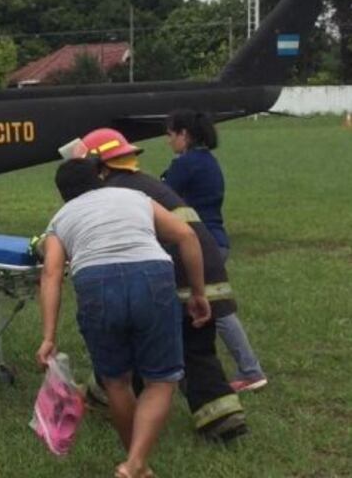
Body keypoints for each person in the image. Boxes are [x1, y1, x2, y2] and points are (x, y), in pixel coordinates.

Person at [37, 158, 210, 478]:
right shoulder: (135, 197)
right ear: (100, 177)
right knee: (161, 381)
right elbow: (186, 235)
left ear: (63, 194)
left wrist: (49, 336)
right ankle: (135, 464)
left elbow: (51, 274)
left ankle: (137, 464)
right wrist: (198, 293)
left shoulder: (60, 219)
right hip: (151, 275)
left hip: (95, 284)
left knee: (116, 382)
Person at [78, 128, 248, 442]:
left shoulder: (116, 195)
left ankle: (103, 399)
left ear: (98, 166)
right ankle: (224, 417)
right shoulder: (149, 185)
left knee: (133, 340)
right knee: (196, 351)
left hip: (180, 281)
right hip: (208, 276)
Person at [163, 109, 267, 393]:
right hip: (213, 242)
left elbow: (161, 198)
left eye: (171, 134)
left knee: (217, 310)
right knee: (189, 306)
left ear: (184, 134)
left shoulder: (185, 165)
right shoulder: (206, 160)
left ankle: (250, 370)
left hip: (199, 245)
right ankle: (183, 371)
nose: (168, 141)